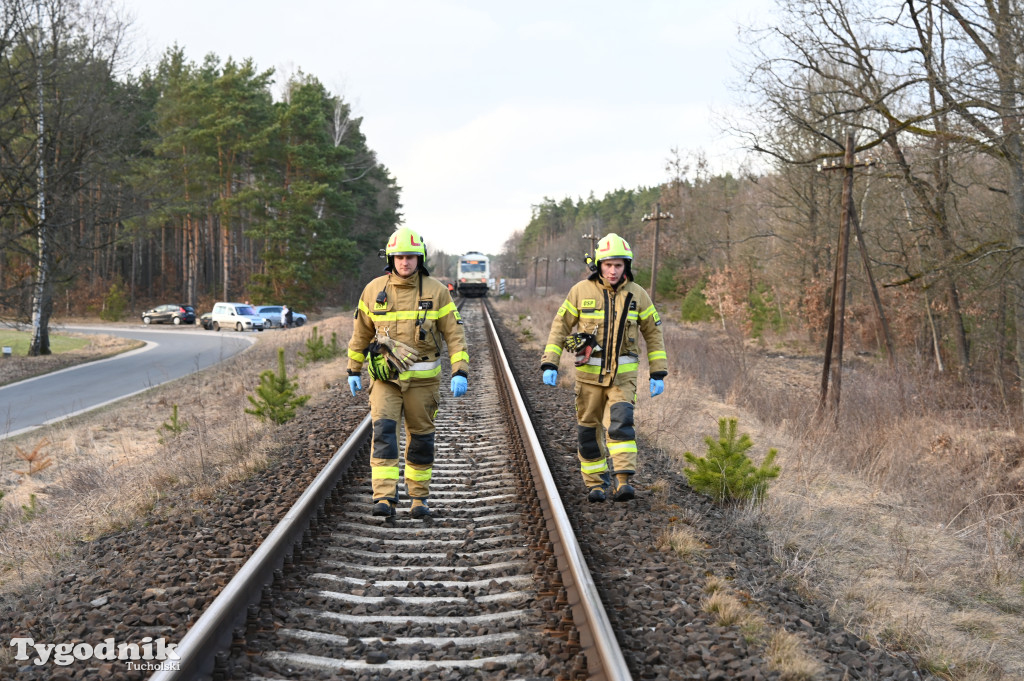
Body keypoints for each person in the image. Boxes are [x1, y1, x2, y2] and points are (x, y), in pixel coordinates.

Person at [347, 227, 470, 519]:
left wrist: (459, 370)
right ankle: (384, 497)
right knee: (384, 434)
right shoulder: (373, 291)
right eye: (400, 257)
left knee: (421, 440)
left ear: (420, 259)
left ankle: (418, 498)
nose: (405, 263)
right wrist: (353, 368)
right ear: (391, 258)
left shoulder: (437, 292)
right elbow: (360, 334)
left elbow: (455, 335)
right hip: (386, 381)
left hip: (423, 384)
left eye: (411, 257)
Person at [540, 233, 668, 503]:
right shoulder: (580, 292)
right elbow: (560, 326)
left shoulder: (638, 295)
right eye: (608, 264)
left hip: (623, 379)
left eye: (618, 265)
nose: (613, 270)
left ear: (626, 267)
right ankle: (596, 484)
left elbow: (654, 334)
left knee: (621, 427)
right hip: (588, 379)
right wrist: (550, 361)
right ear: (599, 264)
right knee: (588, 430)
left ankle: (623, 482)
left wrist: (658, 371)